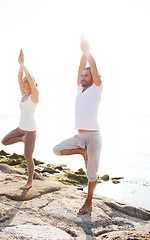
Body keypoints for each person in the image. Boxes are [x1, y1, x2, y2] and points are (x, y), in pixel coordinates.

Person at [53, 35, 103, 215]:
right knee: (57, 149)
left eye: (86, 75)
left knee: (92, 174)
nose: (82, 77)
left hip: (94, 137)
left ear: (93, 78)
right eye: (82, 75)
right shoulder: (79, 89)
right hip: (79, 136)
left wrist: (88, 52)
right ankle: (82, 152)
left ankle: (88, 201)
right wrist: (83, 53)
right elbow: (82, 67)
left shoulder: (97, 87)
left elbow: (93, 68)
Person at [2, 49, 39, 190]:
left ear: (31, 84)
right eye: (23, 82)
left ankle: (29, 182)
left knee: (27, 157)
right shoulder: (23, 95)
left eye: (26, 82)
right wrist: (19, 65)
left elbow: (27, 76)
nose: (23, 83)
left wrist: (23, 63)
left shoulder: (34, 95)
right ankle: (21, 139)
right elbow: (19, 78)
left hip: (31, 130)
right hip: (21, 129)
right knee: (4, 141)